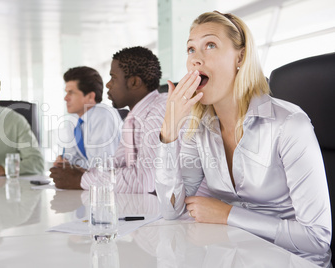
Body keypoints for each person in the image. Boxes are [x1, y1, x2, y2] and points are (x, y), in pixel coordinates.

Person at [155, 11, 331, 267]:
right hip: (234, 254)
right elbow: (171, 211)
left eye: (210, 45)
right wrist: (169, 131)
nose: (195, 59)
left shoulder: (289, 124)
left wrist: (228, 214)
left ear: (241, 57)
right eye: (191, 50)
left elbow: (317, 239)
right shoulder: (200, 129)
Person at [50, 46, 167, 193]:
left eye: (113, 77)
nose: (108, 84)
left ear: (134, 83)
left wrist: (81, 180)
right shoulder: (134, 117)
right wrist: (85, 173)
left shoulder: (160, 110)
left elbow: (147, 180)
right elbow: (117, 162)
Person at [52, 66, 121, 169]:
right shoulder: (75, 120)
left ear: (90, 97)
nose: (65, 98)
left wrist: (72, 166)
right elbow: (71, 159)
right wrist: (64, 161)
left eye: (71, 92)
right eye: (66, 92)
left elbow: (100, 167)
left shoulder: (103, 116)